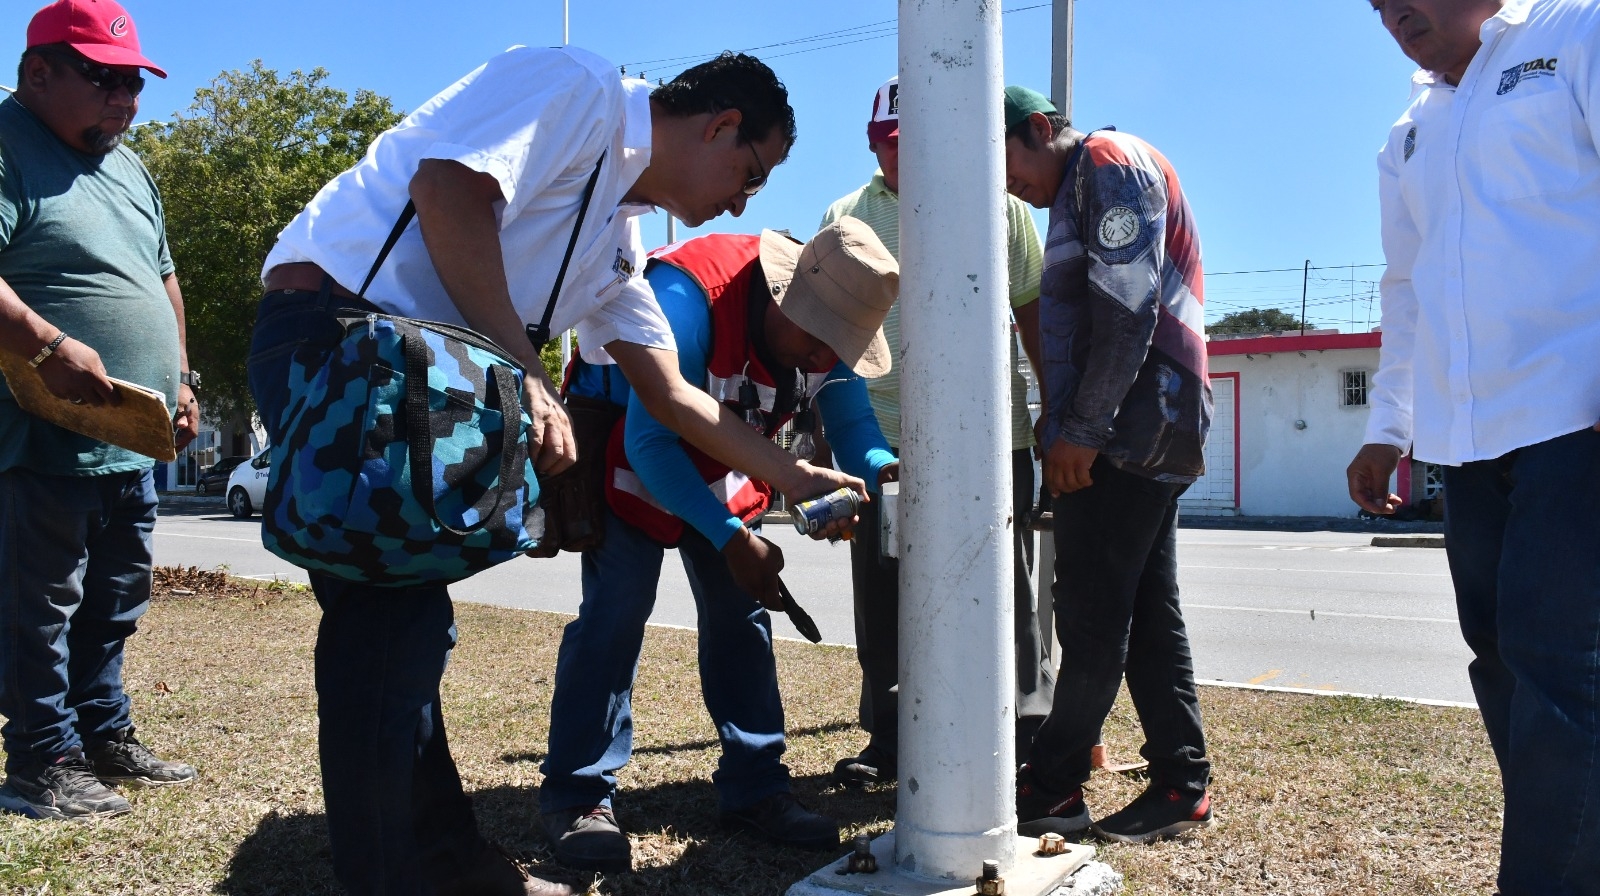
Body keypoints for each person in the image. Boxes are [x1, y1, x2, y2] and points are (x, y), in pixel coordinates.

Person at [249, 47, 861, 896]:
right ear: (719, 124)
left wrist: (799, 482)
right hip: (338, 339)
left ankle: (449, 866)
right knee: (385, 630)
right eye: (748, 171)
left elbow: (676, 399)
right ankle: (404, 875)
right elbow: (447, 189)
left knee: (407, 626)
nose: (742, 201)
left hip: (404, 374)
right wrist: (525, 370)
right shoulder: (579, 89)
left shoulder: (617, 241)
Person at [538, 217, 898, 872]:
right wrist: (731, 536)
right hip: (630, 435)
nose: (826, 360)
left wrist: (882, 475)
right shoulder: (688, 296)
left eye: (840, 348)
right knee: (616, 610)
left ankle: (755, 788)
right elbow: (653, 442)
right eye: (821, 341)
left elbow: (855, 430)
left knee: (742, 616)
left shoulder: (829, 332)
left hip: (721, 449)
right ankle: (578, 793)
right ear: (785, 299)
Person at [1347, 0, 1600, 889]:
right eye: (1376, 4)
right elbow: (1405, 290)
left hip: (1576, 414)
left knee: (1561, 668)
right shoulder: (1409, 130)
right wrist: (1389, 429)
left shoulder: (1575, 35)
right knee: (1498, 661)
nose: (1392, 12)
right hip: (1465, 440)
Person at [816, 76, 1055, 788]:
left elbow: (1035, 314)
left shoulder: (1001, 207)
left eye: (915, 146)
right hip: (880, 438)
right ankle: (889, 740)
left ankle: (1026, 732)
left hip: (992, 436)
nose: (901, 161)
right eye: (889, 147)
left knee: (1005, 586)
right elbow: (828, 328)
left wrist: (1052, 415)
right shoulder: (847, 213)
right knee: (884, 597)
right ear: (872, 143)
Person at [0, 0, 200, 822]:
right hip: (40, 434)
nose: (125, 99)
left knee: (115, 598)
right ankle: (40, 761)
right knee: (39, 604)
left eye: (134, 83)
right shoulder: (8, 145)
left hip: (131, 434)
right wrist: (47, 346)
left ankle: (101, 732)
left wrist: (184, 378)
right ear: (37, 71)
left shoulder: (128, 164)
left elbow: (163, 276)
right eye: (104, 78)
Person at [1001, 86, 1214, 844]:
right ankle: (1181, 782)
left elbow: (1128, 308)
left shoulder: (1107, 163)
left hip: (1128, 429)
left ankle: (1054, 785)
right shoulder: (1079, 187)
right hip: (1142, 425)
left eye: (1007, 162)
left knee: (1090, 612)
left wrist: (1079, 431)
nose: (1009, 185)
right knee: (1148, 611)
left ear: (1036, 128)